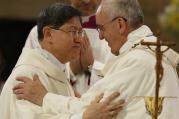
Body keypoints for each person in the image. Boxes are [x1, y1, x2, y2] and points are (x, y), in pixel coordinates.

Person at [13, 0, 179, 119]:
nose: (100, 36)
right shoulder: (150, 53)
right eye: (73, 32)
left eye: (101, 28)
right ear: (48, 34)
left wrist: (44, 97)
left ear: (120, 25)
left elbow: (93, 108)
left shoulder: (138, 60)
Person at [0, 3, 124, 119]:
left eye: (80, 32)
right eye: (73, 31)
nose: (80, 40)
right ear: (48, 34)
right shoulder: (26, 76)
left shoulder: (58, 74)